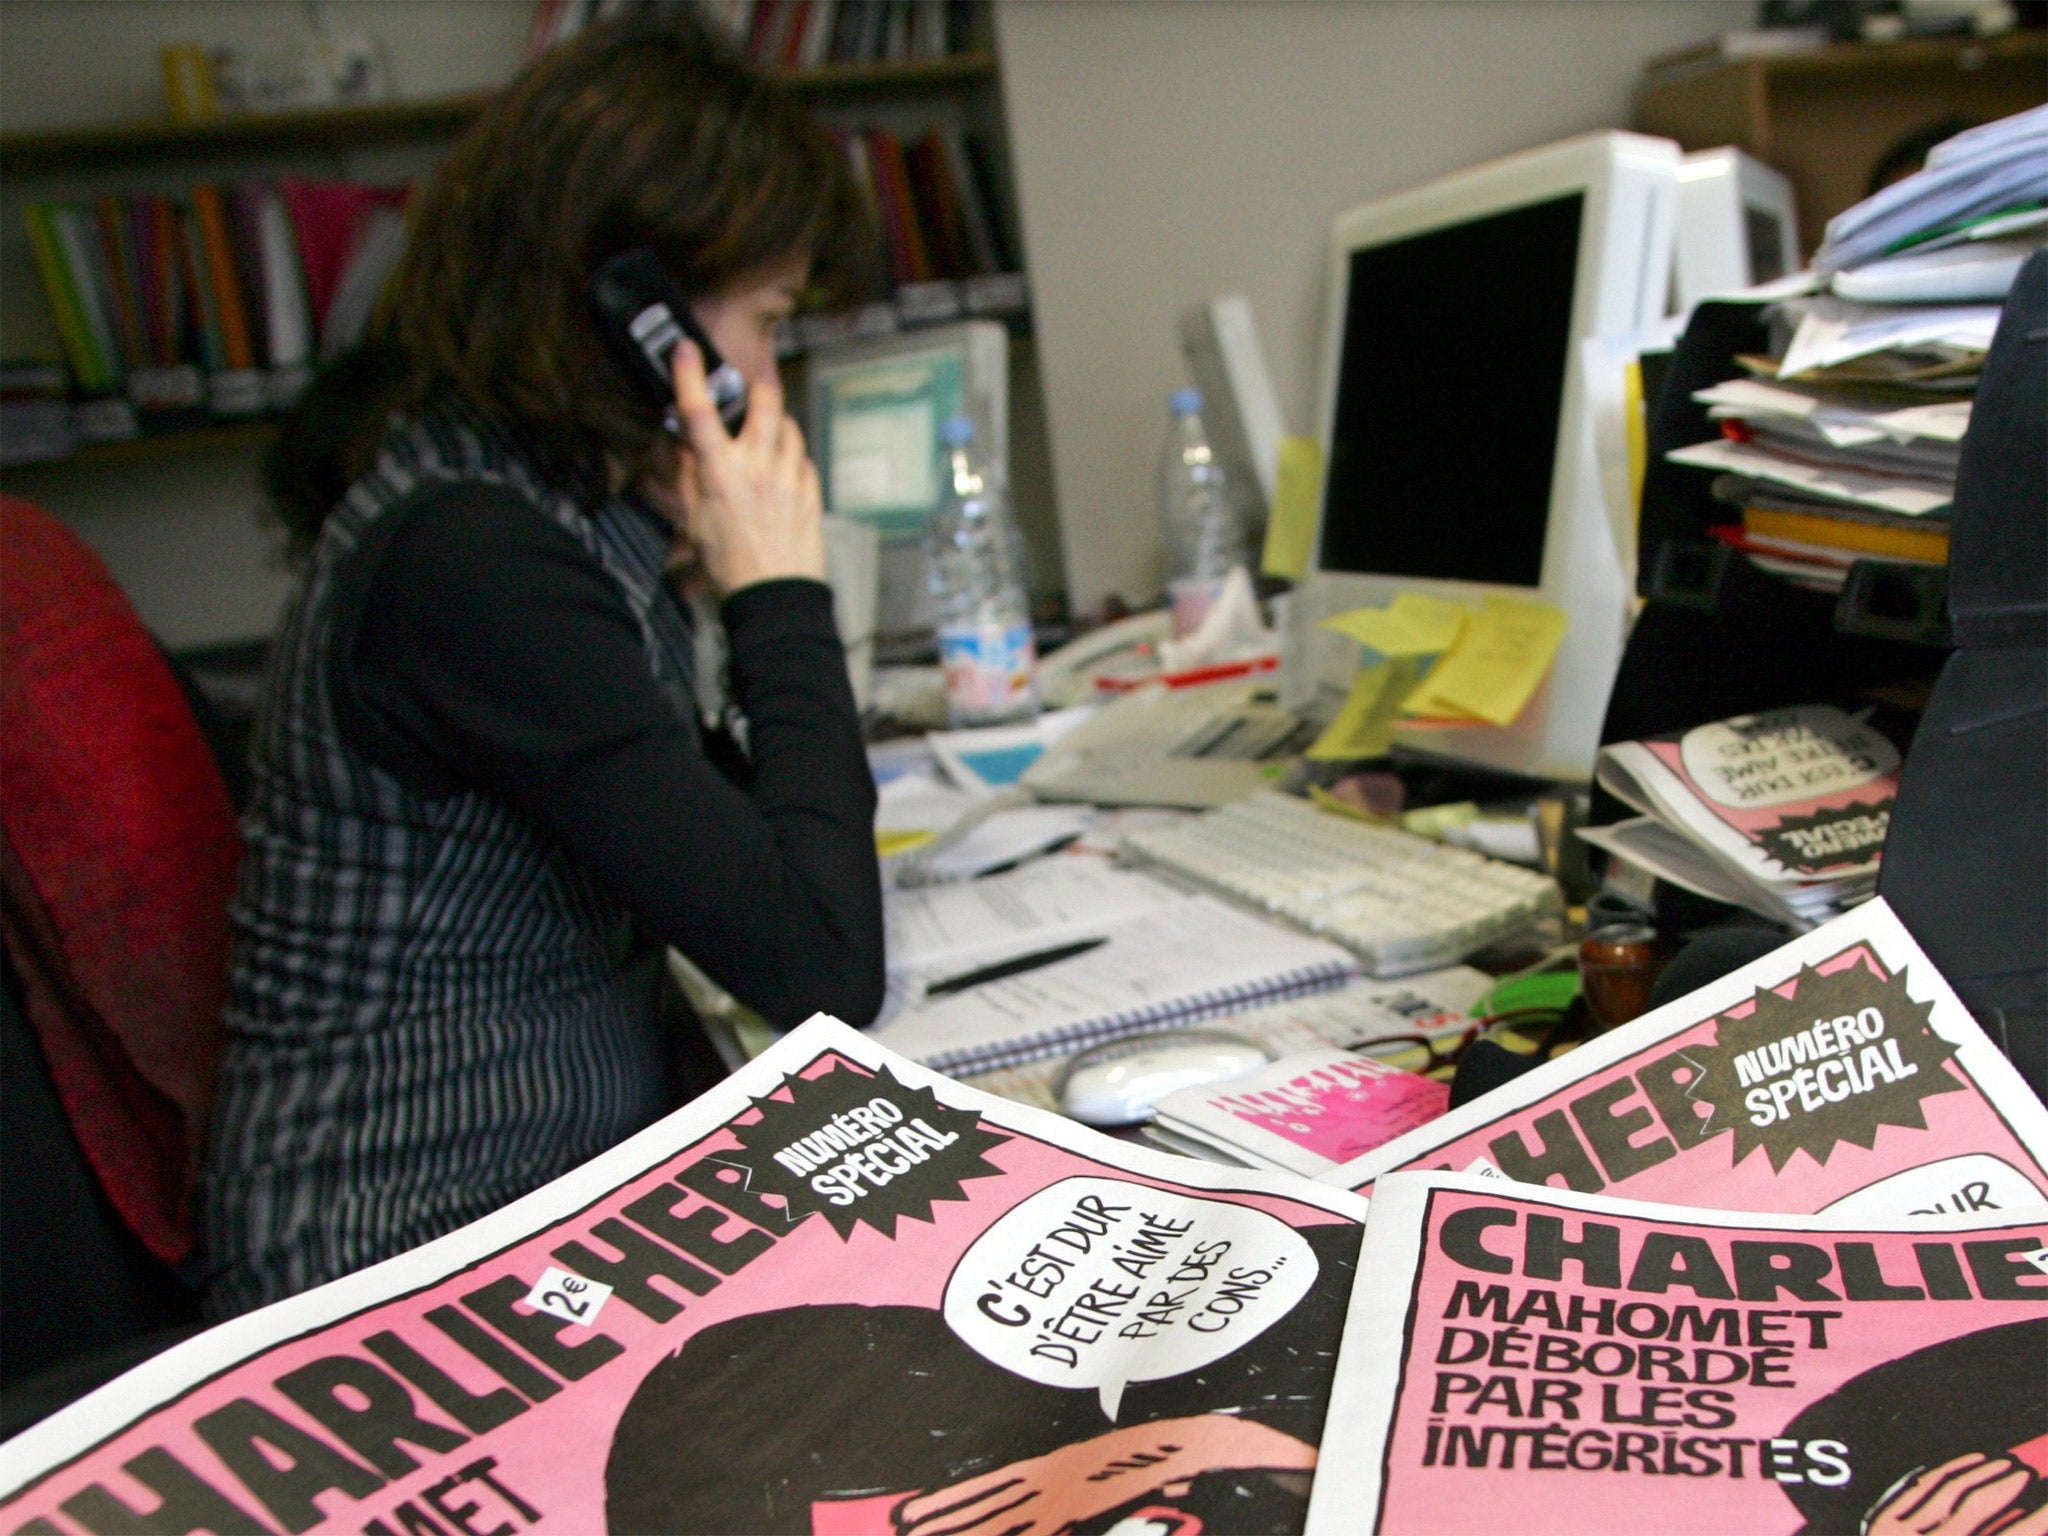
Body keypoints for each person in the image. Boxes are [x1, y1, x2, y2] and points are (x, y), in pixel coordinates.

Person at [201, 14, 884, 1319]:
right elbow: (823, 968)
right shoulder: (472, 564)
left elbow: (737, 844)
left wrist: (709, 582)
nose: (774, 377)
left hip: (538, 1184)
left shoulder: (533, 508)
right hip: (390, 1257)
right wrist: (779, 591)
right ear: (644, 316)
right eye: (770, 321)